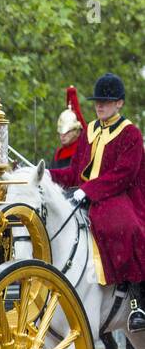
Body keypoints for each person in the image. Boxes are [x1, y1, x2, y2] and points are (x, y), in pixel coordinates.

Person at [51, 73, 145, 331]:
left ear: (119, 104)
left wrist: (88, 191)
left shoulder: (131, 134)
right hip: (87, 193)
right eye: (97, 101)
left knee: (126, 227)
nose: (100, 105)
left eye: (106, 101)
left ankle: (136, 299)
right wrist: (46, 176)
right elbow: (73, 173)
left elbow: (123, 175)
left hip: (120, 195)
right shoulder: (90, 130)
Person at [51, 86, 86, 173]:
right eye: (60, 132)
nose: (62, 135)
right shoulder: (58, 154)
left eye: (67, 132)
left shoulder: (83, 153)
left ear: (77, 132)